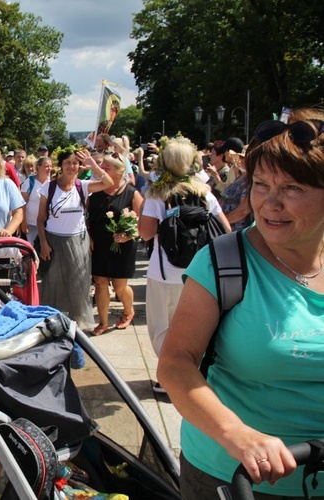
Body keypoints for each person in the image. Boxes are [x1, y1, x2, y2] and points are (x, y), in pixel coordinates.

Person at [157, 108, 324, 498]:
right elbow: (175, 362)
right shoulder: (223, 262)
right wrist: (238, 435)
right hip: (235, 478)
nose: (269, 203)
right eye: (261, 185)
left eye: (293, 189)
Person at [137, 137, 230, 393]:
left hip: (165, 272)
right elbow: (225, 228)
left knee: (163, 326)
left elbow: (145, 233)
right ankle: (195, 372)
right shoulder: (204, 192)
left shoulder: (157, 194)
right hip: (200, 271)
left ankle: (169, 378)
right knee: (196, 325)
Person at [37, 149, 113, 328]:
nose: (72, 167)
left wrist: (93, 165)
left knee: (78, 284)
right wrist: (44, 243)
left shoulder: (83, 186)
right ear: (61, 165)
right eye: (68, 163)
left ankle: (75, 324)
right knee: (53, 283)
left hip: (78, 242)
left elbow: (108, 182)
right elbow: (40, 219)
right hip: (54, 241)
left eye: (75, 163)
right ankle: (53, 323)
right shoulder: (49, 187)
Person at [87, 152, 144, 336]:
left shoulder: (132, 193)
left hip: (123, 246)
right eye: (101, 167)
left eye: (106, 168)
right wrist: (88, 236)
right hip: (99, 245)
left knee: (120, 287)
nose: (101, 170)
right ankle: (103, 322)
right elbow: (85, 219)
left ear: (120, 172)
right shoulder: (94, 192)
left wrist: (130, 234)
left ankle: (128, 311)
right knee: (100, 283)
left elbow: (143, 223)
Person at [20, 155, 50, 245]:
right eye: (46, 166)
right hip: (32, 224)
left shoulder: (52, 182)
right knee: (35, 250)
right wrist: (24, 222)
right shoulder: (29, 182)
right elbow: (22, 204)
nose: (49, 168)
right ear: (39, 167)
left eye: (50, 166)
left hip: (48, 225)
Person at [220, 151, 252, 231]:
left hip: (235, 229)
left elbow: (243, 210)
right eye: (241, 158)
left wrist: (222, 223)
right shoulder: (240, 177)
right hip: (225, 227)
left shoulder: (250, 182)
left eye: (245, 159)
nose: (241, 160)